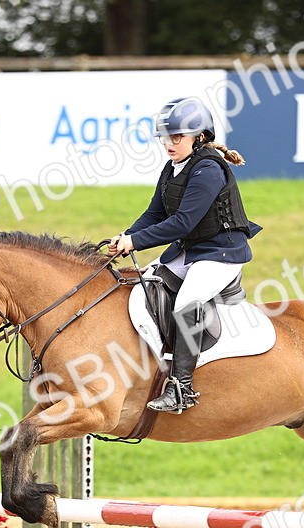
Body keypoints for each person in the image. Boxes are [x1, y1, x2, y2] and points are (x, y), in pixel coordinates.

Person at [108, 97, 261, 414]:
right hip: (191, 249)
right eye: (166, 137)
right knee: (146, 285)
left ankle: (181, 389)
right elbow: (155, 213)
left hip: (221, 253)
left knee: (186, 304)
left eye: (176, 137)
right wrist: (126, 236)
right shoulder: (173, 166)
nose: (169, 143)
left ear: (200, 137)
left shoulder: (208, 170)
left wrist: (135, 242)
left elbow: (182, 223)